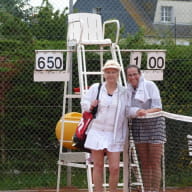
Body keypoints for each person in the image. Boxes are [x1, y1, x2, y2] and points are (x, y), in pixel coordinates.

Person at [81, 60, 128, 192]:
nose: (110, 75)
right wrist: (91, 106)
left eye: (113, 72)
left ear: (118, 74)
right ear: (104, 74)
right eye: (108, 72)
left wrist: (139, 112)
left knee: (114, 167)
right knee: (98, 165)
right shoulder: (96, 88)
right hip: (97, 131)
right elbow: (84, 103)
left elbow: (128, 109)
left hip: (115, 133)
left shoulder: (124, 92)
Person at [126, 65, 166, 192]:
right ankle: (146, 189)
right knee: (144, 162)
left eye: (134, 74)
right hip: (139, 126)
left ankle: (155, 190)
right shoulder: (126, 91)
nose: (133, 77)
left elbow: (158, 107)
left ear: (140, 74)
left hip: (155, 125)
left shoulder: (150, 85)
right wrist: (137, 112)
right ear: (127, 77)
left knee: (154, 161)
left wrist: (144, 112)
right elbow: (126, 109)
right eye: (130, 75)